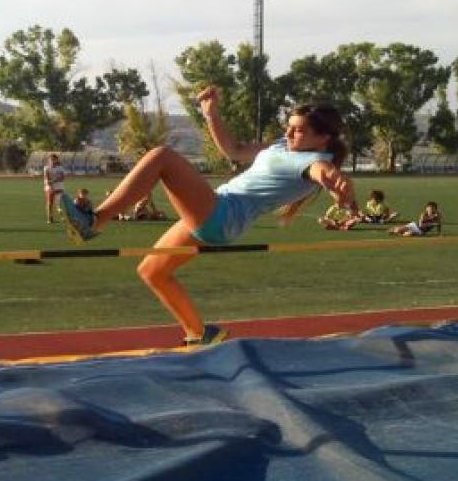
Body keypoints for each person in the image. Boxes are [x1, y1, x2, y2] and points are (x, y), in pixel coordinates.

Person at [61, 86, 355, 346]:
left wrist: (338, 183)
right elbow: (234, 150)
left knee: (162, 157)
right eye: (288, 127)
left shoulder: (314, 160)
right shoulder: (284, 146)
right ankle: (198, 333)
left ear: (323, 138)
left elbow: (323, 172)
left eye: (298, 130)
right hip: (218, 208)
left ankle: (93, 222)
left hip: (223, 214)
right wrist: (211, 114)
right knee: (152, 270)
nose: (289, 133)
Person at [43, 153, 66, 224]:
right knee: (50, 203)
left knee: (59, 203)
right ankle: (50, 218)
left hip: (59, 187)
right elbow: (46, 178)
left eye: (54, 159)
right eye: (51, 159)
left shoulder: (60, 168)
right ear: (49, 160)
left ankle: (63, 217)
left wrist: (53, 181)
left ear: (57, 160)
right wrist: (49, 184)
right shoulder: (46, 168)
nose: (52, 161)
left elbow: (62, 178)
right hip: (49, 187)